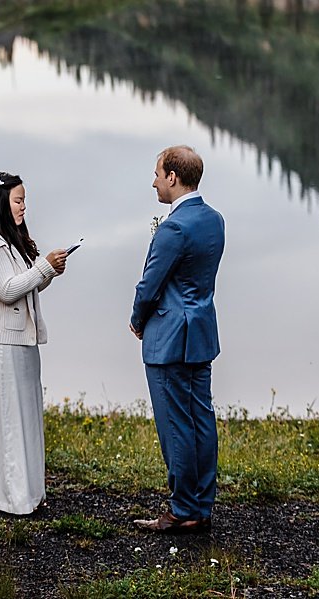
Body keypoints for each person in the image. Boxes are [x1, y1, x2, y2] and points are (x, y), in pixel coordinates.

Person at [0, 171, 69, 515]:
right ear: (0, 201)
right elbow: (7, 291)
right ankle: (11, 498)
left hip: (20, 340)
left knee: (24, 416)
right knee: (8, 418)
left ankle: (27, 493)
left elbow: (26, 285)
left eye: (24, 201)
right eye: (18, 200)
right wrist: (43, 268)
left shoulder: (7, 237)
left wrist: (48, 271)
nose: (24, 207)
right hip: (0, 344)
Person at [128, 145, 226, 533]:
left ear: (172, 177)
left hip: (169, 339)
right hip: (200, 333)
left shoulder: (174, 227)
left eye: (156, 174)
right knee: (201, 419)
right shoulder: (214, 219)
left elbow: (150, 285)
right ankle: (201, 505)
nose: (153, 181)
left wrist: (138, 319)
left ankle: (181, 509)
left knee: (175, 426)